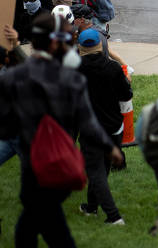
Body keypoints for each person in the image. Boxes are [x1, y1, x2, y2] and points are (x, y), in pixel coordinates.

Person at [0, 13, 124, 246]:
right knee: (45, 226)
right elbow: (87, 121)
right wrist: (111, 148)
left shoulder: (14, 78)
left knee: (32, 224)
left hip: (32, 168)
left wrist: (16, 47)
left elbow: (5, 127)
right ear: (57, 43)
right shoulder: (70, 79)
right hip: (57, 168)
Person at [76, 28, 132, 224]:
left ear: (81, 47)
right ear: (100, 46)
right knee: (101, 171)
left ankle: (114, 217)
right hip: (114, 128)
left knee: (95, 173)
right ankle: (91, 208)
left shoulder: (75, 69)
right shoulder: (113, 68)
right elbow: (126, 96)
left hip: (91, 130)